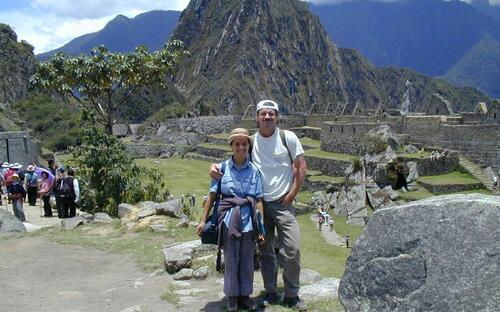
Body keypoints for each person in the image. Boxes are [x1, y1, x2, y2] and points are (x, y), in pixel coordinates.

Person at [210, 100, 307, 311]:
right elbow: (236, 158)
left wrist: (291, 195)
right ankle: (271, 292)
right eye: (263, 114)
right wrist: (213, 167)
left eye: (271, 114)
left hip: (282, 203)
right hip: (259, 204)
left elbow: (300, 167)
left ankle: (292, 294)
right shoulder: (251, 141)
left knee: (292, 249)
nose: (267, 117)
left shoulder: (287, 137)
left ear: (277, 116)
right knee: (266, 252)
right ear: (257, 117)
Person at [198, 128, 265, 312]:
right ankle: (232, 297)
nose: (241, 147)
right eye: (237, 144)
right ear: (231, 146)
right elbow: (212, 196)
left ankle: (245, 295)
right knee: (231, 258)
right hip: (228, 220)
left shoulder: (255, 171)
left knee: (247, 259)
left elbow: (258, 199)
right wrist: (203, 221)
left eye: (244, 144)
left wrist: (262, 228)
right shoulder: (221, 169)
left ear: (248, 146)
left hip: (249, 222)